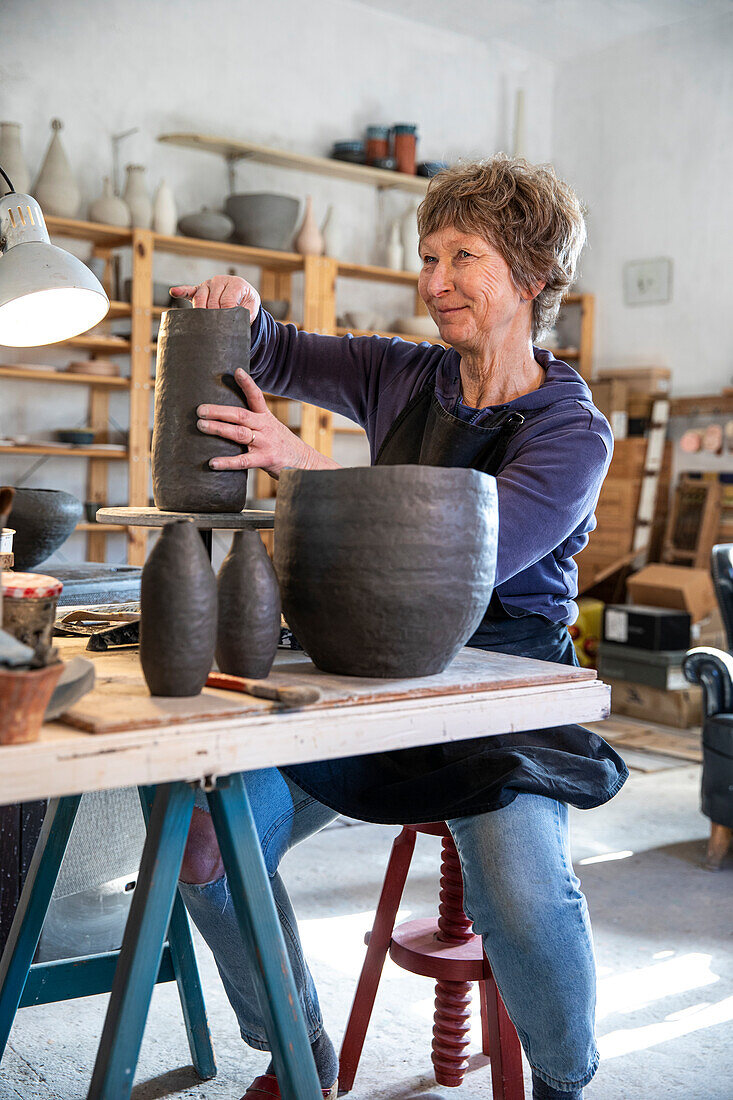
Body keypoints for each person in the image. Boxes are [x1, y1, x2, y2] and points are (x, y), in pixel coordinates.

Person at [171, 156, 628, 1100]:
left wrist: (304, 469)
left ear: (532, 276)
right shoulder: (400, 373)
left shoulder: (570, 431)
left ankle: (564, 1081)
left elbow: (466, 556)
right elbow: (279, 353)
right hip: (374, 672)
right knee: (201, 838)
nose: (434, 281)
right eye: (427, 256)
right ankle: (294, 1052)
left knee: (524, 892)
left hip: (504, 694)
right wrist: (238, 309)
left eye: (464, 256)